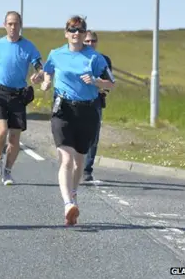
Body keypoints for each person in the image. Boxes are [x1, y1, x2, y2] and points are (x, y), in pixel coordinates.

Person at [40, 16, 115, 226]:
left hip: (87, 111)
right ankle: (68, 204)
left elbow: (112, 84)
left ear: (85, 34)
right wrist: (45, 82)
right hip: (63, 110)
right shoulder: (56, 54)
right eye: (72, 30)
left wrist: (96, 81)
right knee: (66, 159)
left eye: (80, 30)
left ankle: (73, 194)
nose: (76, 34)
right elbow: (47, 70)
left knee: (79, 161)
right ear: (66, 33)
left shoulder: (95, 58)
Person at [0, 11, 44, 185]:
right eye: (9, 23)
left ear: (20, 25)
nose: (13, 27)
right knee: (1, 131)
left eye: (16, 23)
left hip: (18, 95)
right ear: (4, 25)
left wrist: (39, 75)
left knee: (14, 138)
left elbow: (39, 66)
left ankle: (7, 172)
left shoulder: (28, 46)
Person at [82, 31, 112, 182]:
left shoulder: (104, 60)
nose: (90, 44)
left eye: (92, 41)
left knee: (93, 137)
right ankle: (75, 166)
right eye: (87, 41)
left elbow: (109, 81)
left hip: (96, 102)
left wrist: (102, 87)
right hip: (77, 102)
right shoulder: (76, 58)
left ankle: (87, 169)